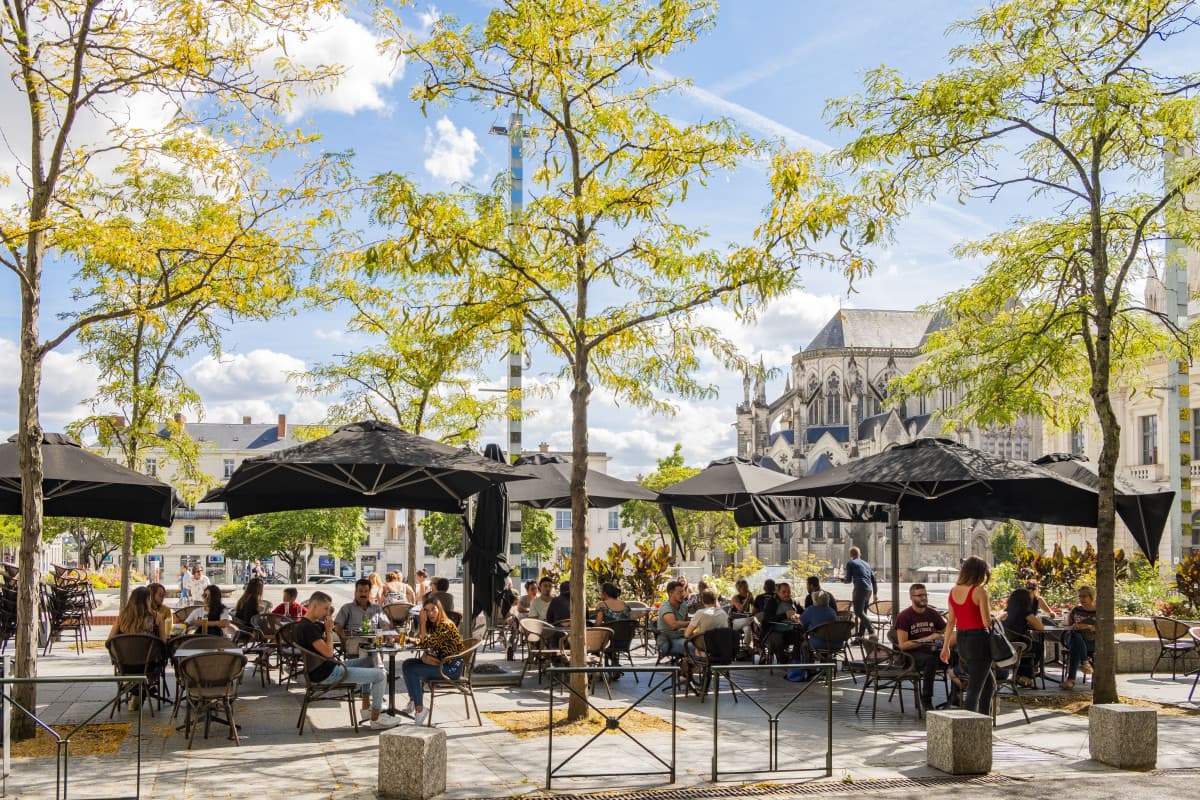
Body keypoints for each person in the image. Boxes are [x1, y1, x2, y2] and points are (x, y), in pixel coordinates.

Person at [293, 591, 399, 730]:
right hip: (327, 674)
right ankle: (376, 718)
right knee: (381, 675)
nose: (327, 613)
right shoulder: (308, 628)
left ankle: (367, 708)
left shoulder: (305, 624)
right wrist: (329, 631)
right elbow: (329, 653)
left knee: (370, 661)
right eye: (325, 608)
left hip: (328, 668)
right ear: (314, 606)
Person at [940, 556, 994, 715]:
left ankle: (985, 723)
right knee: (974, 690)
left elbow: (950, 622)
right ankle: (970, 727)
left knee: (989, 684)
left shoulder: (953, 591)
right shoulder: (979, 591)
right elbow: (986, 622)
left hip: (962, 641)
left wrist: (945, 648)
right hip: (979, 641)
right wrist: (999, 617)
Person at [401, 599, 465, 726]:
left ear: (439, 609)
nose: (430, 613)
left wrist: (423, 622)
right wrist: (408, 639)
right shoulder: (436, 625)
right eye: (427, 610)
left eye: (433, 610)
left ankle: (420, 710)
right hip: (442, 663)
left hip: (451, 668)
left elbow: (426, 642)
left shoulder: (446, 625)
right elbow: (426, 641)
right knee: (407, 664)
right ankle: (414, 700)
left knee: (413, 670)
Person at [894, 583, 947, 710]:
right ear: (911, 597)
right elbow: (903, 645)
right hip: (912, 655)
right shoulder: (905, 616)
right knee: (931, 660)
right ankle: (926, 699)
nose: (924, 598)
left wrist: (943, 636)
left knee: (956, 655)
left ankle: (955, 695)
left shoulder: (932, 613)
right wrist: (928, 638)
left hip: (934, 650)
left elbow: (946, 629)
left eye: (925, 595)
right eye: (920, 595)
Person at [1001, 587, 1044, 687]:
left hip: (1006, 642)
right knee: (1037, 647)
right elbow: (1040, 628)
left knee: (1029, 646)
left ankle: (1018, 675)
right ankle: (1026, 676)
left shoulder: (1007, 610)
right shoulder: (1024, 611)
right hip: (1018, 644)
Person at [1062, 585, 1097, 690]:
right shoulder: (1076, 610)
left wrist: (1088, 626)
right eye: (1080, 597)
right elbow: (1068, 624)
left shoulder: (1099, 611)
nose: (1081, 599)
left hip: (1091, 641)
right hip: (1074, 637)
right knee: (1075, 636)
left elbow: (1108, 629)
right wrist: (1072, 626)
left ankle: (1071, 680)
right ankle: (1085, 662)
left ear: (1091, 597)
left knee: (1075, 646)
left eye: (1084, 596)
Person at [763, 582, 804, 663]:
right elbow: (767, 620)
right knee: (777, 639)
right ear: (777, 592)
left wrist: (798, 616)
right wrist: (784, 615)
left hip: (790, 631)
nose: (787, 594)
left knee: (801, 637)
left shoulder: (793, 602)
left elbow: (803, 613)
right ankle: (783, 661)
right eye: (784, 592)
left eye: (788, 592)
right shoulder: (772, 602)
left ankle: (795, 661)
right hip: (773, 631)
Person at [843, 546, 878, 639]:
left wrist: (840, 578)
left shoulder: (850, 563)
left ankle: (871, 630)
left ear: (850, 555)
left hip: (859, 589)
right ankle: (860, 636)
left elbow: (848, 580)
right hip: (869, 590)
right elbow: (874, 580)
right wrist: (875, 593)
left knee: (858, 612)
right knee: (863, 613)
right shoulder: (866, 564)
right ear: (860, 554)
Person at [657, 580, 690, 657]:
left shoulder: (683, 605)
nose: (682, 595)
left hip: (681, 638)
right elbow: (673, 624)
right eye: (679, 593)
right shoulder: (666, 607)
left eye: (683, 592)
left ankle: (689, 666)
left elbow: (686, 624)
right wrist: (692, 623)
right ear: (670, 594)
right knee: (693, 647)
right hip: (667, 642)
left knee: (703, 644)